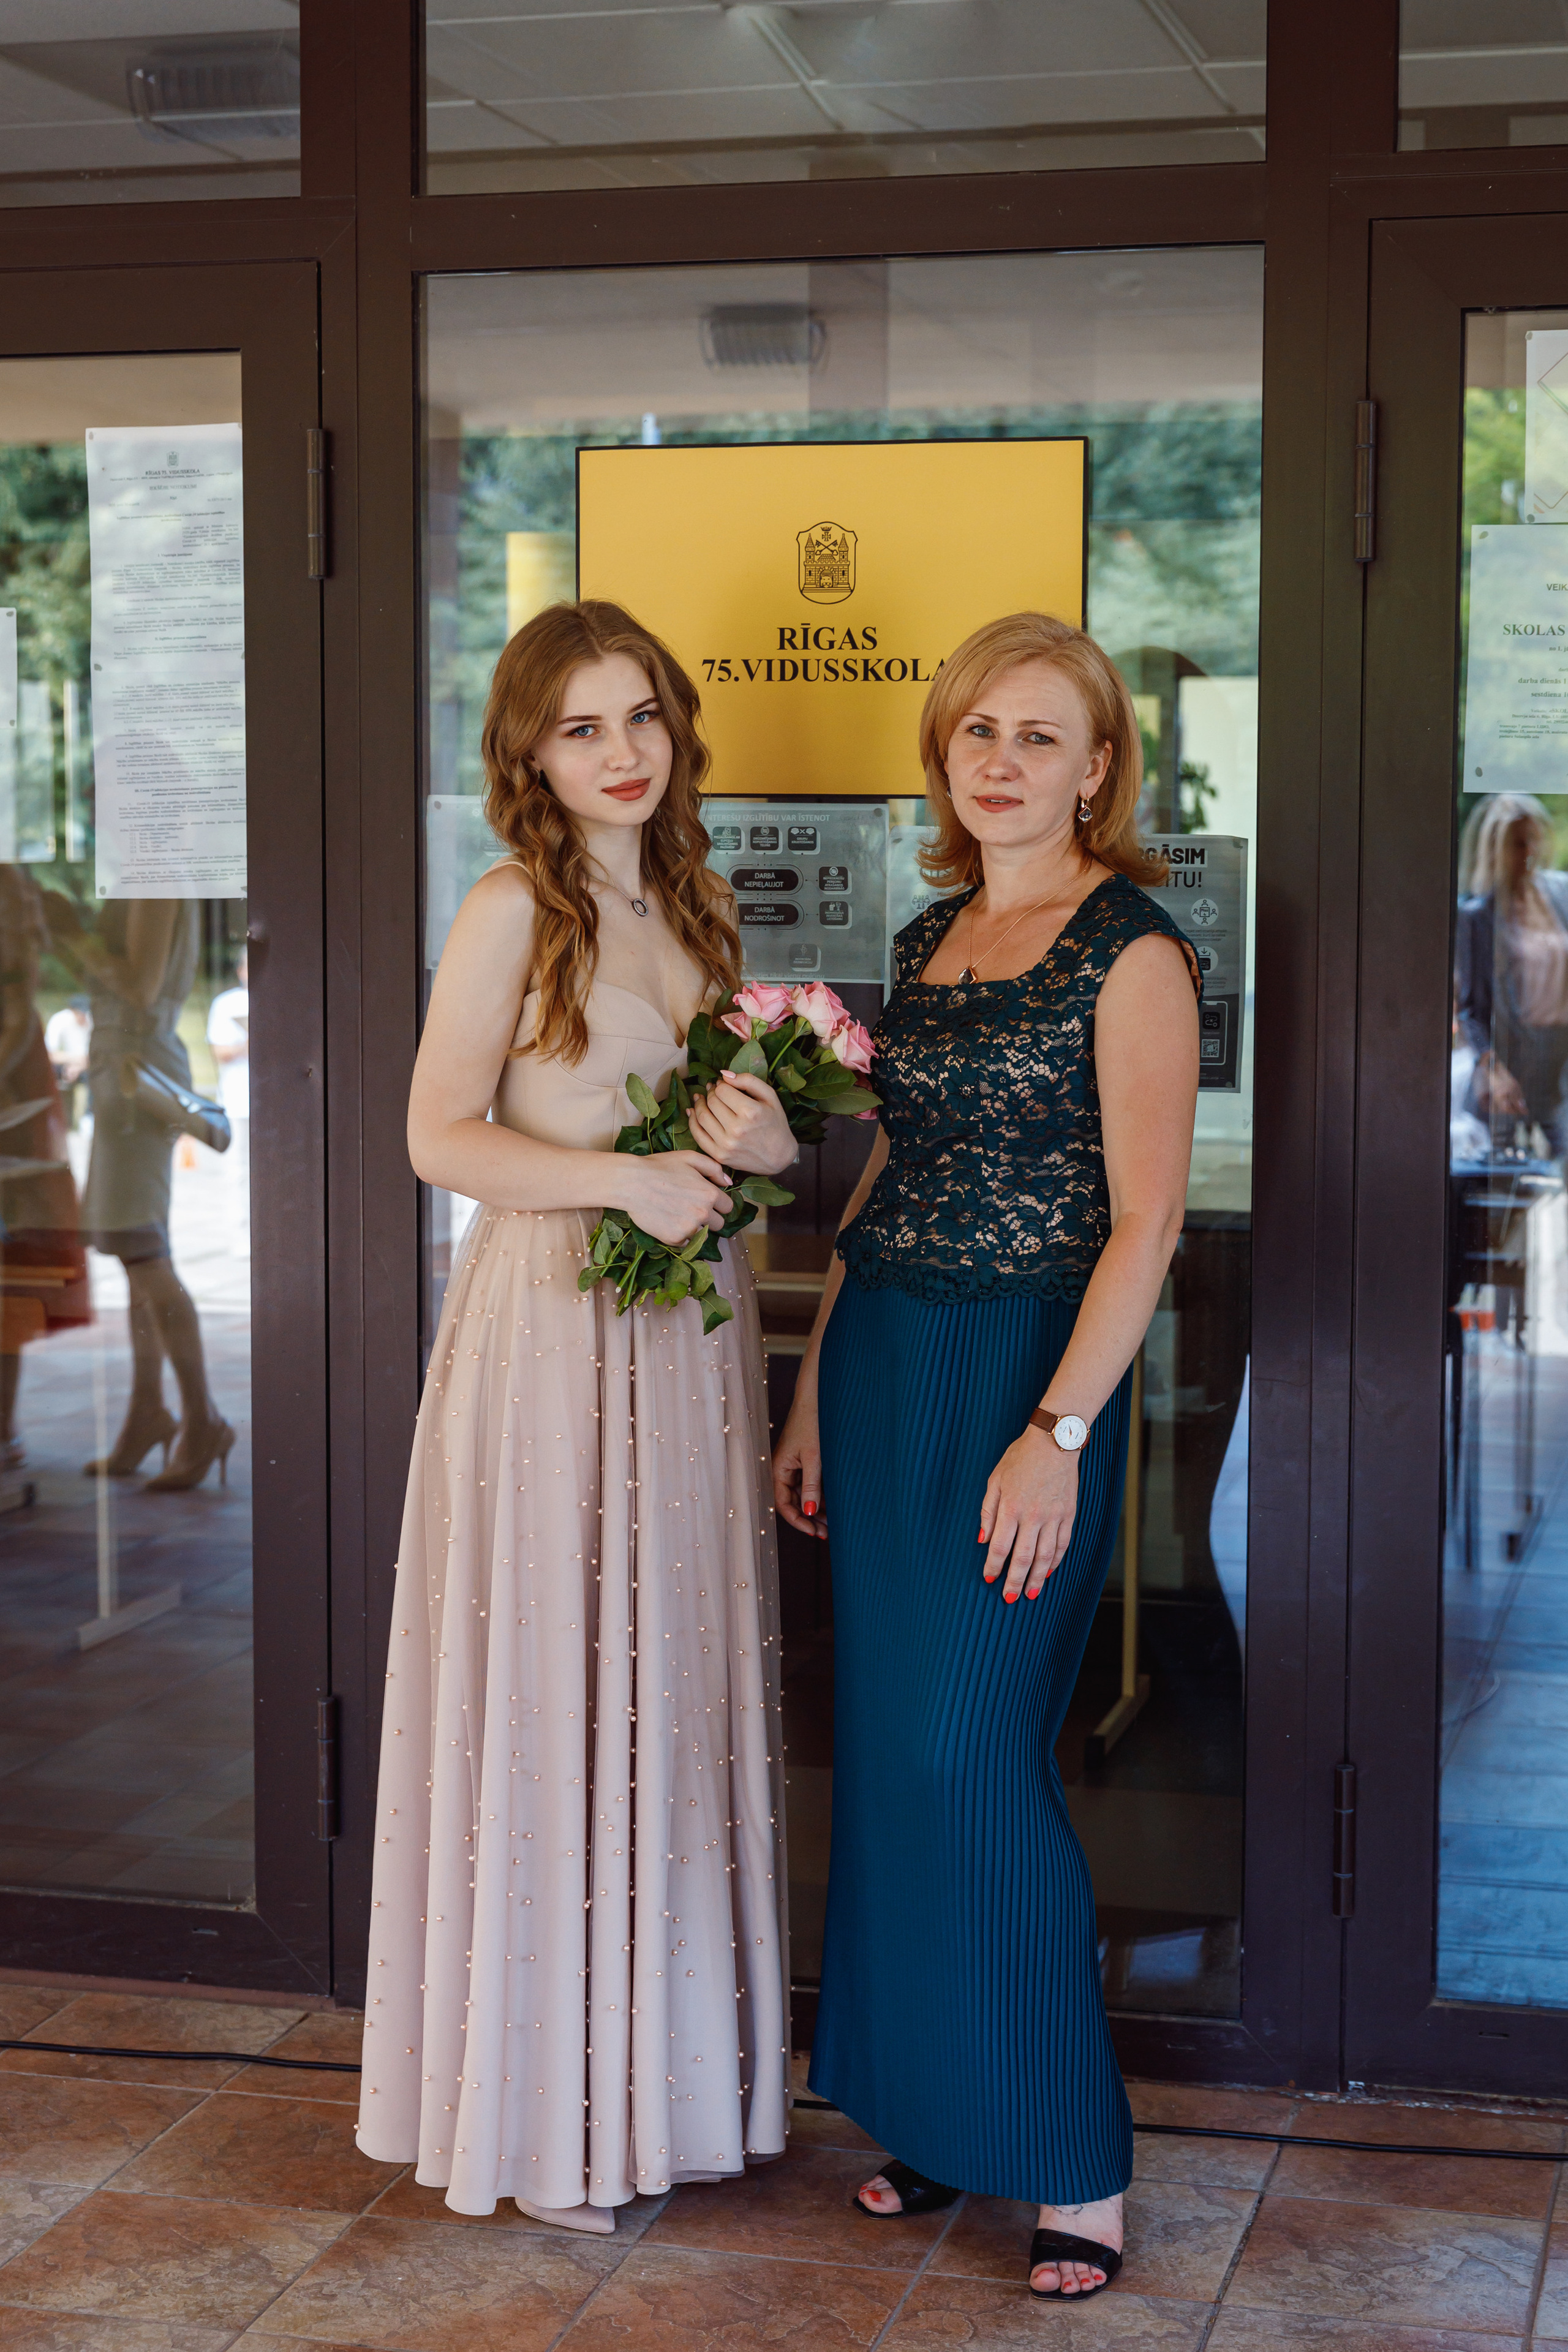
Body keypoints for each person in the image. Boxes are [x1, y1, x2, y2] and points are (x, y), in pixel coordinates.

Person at [775, 612, 1201, 2301]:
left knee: (973, 1754)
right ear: (946, 761)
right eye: (977, 734)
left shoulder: (1135, 951)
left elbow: (1149, 1221)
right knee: (892, 1754)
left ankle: (1069, 2161)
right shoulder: (937, 932)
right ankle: (932, 2114)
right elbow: (889, 1173)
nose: (1005, 760)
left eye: (1041, 735)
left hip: (1028, 1378)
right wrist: (811, 1379)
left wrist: (1060, 1433)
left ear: (1099, 764)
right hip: (886, 1365)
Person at [355, 599, 796, 2230]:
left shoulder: (697, 903)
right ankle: (550, 2127)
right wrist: (630, 1173)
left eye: (643, 720)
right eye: (583, 728)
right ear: (532, 752)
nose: (622, 754)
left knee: (661, 1686)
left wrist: (753, 1145)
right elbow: (435, 1137)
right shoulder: (509, 907)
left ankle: (663, 2097)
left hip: (677, 1351)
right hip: (547, 1334)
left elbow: (737, 1147)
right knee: (557, 1687)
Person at [43, 893, 234, 1491]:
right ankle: (150, 1410)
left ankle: (199, 1417)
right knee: (136, 1252)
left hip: (134, 1071)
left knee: (145, 1253)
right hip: (120, 1067)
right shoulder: (138, 878)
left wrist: (71, 932)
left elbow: (142, 988)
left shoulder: (154, 878)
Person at [1453, 794, 1568, 1150]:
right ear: (1495, 849)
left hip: (1560, 1060)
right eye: (1518, 844)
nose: (1530, 852)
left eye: (1533, 840)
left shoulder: (1560, 894)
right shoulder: (1477, 915)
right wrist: (1492, 1069)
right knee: (1502, 1177)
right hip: (1512, 1061)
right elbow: (1472, 1009)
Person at [206, 951, 250, 1248]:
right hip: (239, 1098)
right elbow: (221, 1053)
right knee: (238, 1170)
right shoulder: (227, 1003)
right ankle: (242, 1236)